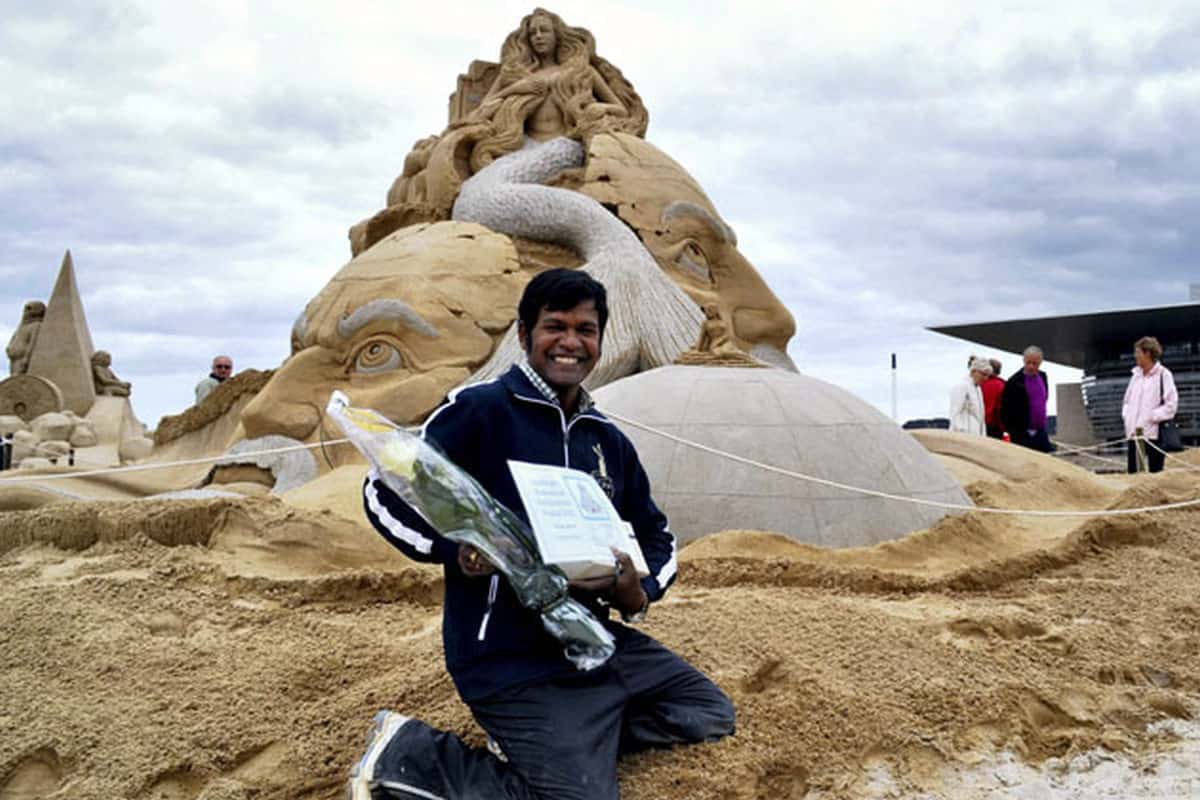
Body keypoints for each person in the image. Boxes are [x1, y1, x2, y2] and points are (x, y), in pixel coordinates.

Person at [349, 269, 735, 800]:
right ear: (526, 333)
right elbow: (383, 491)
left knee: (706, 712)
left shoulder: (605, 438)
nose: (571, 342)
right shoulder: (480, 410)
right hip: (506, 658)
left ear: (601, 339)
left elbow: (655, 531)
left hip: (593, 643)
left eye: (587, 329)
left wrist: (638, 591)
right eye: (555, 326)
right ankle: (410, 754)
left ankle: (565, 743)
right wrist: (455, 549)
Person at [1122, 336, 1178, 473]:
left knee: (1155, 477)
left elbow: (1171, 405)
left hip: (1154, 435)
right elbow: (1127, 401)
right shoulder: (1135, 376)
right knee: (1133, 476)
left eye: (1138, 352)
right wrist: (1127, 416)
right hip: (1134, 434)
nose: (1135, 356)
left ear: (1147, 353)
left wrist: (1151, 416)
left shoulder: (1164, 375)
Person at [1000, 346, 1054, 452]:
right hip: (1021, 434)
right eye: (1028, 362)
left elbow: (1044, 398)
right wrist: (1013, 431)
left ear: (1040, 362)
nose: (1031, 366)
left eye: (1035, 363)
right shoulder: (1014, 382)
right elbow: (1004, 410)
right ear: (1023, 360)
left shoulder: (1043, 376)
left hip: (1040, 430)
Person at [949, 357, 990, 436]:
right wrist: (961, 432)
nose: (986, 378)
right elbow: (955, 412)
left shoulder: (978, 389)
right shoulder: (961, 386)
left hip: (977, 436)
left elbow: (980, 417)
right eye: (983, 374)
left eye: (987, 375)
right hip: (964, 436)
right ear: (974, 371)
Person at [982, 358, 1006, 439]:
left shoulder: (978, 384)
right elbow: (1002, 409)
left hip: (977, 424)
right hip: (994, 428)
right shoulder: (1002, 386)